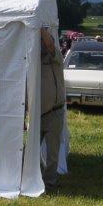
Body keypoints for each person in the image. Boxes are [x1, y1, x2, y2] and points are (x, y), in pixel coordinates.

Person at [40, 27, 66, 192]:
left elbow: (50, 44)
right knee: (32, 151)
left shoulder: (55, 58)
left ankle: (49, 181)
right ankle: (33, 178)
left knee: (52, 152)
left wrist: (39, 27)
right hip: (37, 113)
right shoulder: (33, 62)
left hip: (54, 112)